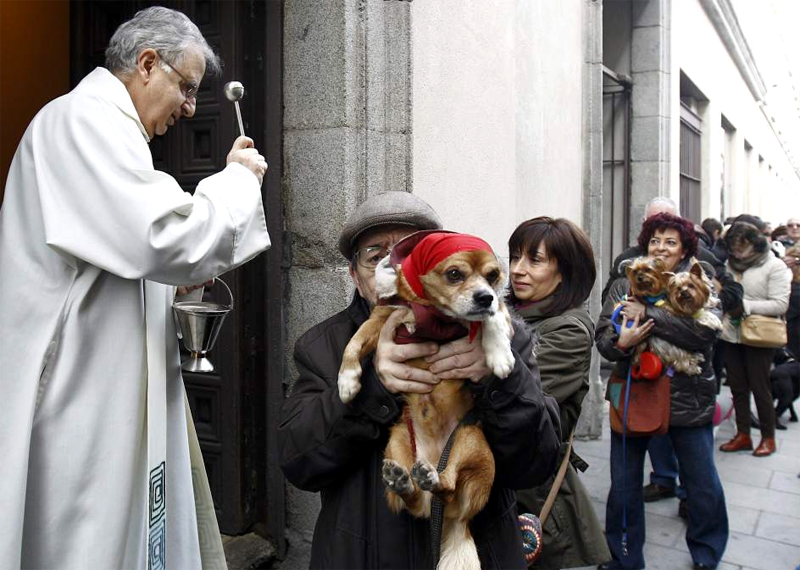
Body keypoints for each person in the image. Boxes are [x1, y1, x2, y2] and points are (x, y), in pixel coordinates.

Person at [0, 7, 271, 569]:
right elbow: (161, 238)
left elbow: (118, 259)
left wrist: (167, 289)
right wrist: (238, 182)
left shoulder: (110, 131)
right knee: (86, 544)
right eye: (188, 87)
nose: (192, 108)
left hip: (107, 384)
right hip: (78, 389)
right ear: (149, 64)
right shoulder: (81, 121)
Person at [277, 192, 561, 569]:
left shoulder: (502, 335)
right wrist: (374, 391)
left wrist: (495, 382)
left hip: (477, 548)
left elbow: (537, 462)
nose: (393, 265)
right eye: (375, 256)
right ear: (355, 276)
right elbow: (299, 461)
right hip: (363, 556)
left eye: (409, 253)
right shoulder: (324, 346)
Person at [596, 213, 728, 570]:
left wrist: (650, 312)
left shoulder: (702, 277)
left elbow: (703, 334)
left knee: (701, 484)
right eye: (655, 240)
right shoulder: (626, 281)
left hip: (689, 396)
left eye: (670, 241)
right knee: (623, 485)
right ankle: (624, 557)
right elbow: (604, 340)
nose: (661, 247)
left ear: (684, 247)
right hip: (634, 393)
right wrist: (620, 341)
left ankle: (706, 553)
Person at [507, 217, 611, 569]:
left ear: (564, 271)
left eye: (534, 261)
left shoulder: (569, 328)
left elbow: (515, 392)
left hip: (530, 486)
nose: (518, 270)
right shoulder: (506, 311)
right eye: (515, 257)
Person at [718, 222, 792, 457]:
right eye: (734, 248)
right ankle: (743, 434)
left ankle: (768, 438)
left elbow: (781, 303)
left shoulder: (774, 266)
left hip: (760, 336)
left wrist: (745, 305)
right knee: (738, 387)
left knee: (761, 388)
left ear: (754, 244)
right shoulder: (729, 265)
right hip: (732, 333)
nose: (738, 253)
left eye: (743, 248)